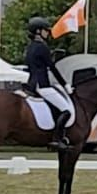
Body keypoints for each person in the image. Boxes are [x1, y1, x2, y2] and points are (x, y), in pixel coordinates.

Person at [24, 17, 73, 151]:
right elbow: (52, 67)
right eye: (45, 30)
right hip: (41, 85)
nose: (47, 33)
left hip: (31, 83)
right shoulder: (42, 47)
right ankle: (56, 140)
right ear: (38, 31)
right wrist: (65, 85)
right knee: (66, 110)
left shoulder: (30, 47)